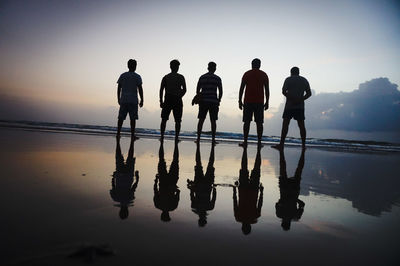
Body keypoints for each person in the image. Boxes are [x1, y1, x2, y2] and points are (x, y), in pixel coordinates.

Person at [272, 67, 311, 150]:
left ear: (291, 72)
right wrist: (300, 99)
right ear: (298, 72)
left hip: (289, 106)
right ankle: (303, 146)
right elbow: (309, 93)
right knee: (301, 126)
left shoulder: (288, 79)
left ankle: (281, 144)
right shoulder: (304, 80)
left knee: (285, 125)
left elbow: (283, 91)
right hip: (300, 106)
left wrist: (291, 98)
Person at [233, 145, 264, 235]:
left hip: (253, 191)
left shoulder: (255, 218)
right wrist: (235, 189)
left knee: (257, 168)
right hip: (243, 189)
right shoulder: (238, 217)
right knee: (244, 167)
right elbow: (235, 202)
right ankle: (245, 150)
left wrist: (261, 192)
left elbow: (260, 203)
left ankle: (258, 151)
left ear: (250, 226)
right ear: (242, 227)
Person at [238, 58, 269, 147]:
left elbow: (241, 88)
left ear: (252, 64)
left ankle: (245, 142)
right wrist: (267, 102)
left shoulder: (247, 74)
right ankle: (259, 143)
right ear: (259, 65)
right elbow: (267, 89)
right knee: (259, 123)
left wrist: (239, 101)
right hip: (259, 102)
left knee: (247, 122)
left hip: (248, 101)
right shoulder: (264, 75)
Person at [275, 148, 305, 231]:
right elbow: (277, 204)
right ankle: (281, 152)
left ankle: (303, 153)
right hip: (284, 190)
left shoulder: (296, 216)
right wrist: (285, 201)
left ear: (289, 224)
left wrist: (295, 199)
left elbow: (302, 205)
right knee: (282, 169)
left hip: (294, 191)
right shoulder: (279, 215)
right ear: (282, 223)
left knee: (299, 170)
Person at [187, 143, 217, 227]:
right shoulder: (194, 207)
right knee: (199, 163)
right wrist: (192, 186)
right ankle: (199, 146)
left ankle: (212, 148)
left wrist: (214, 188)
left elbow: (214, 197)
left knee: (210, 163)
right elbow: (192, 194)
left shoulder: (210, 207)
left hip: (207, 184)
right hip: (199, 183)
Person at [110, 136, 139, 219]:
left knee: (130, 156)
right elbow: (113, 186)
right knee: (119, 157)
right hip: (119, 174)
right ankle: (118, 142)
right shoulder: (115, 198)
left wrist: (137, 178)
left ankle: (131, 143)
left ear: (127, 211)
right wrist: (113, 177)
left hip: (129, 175)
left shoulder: (130, 199)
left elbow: (134, 187)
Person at [194, 62, 223, 144]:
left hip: (203, 101)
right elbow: (220, 91)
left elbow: (198, 89)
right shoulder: (217, 78)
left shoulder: (202, 77)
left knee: (201, 120)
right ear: (215, 68)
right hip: (213, 102)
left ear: (208, 68)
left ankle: (198, 139)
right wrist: (219, 100)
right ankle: (213, 140)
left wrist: (199, 97)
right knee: (213, 121)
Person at [159, 60, 187, 142]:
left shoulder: (166, 77)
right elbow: (185, 90)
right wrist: (179, 96)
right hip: (176, 99)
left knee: (164, 119)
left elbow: (161, 90)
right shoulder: (180, 77)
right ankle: (176, 137)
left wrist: (161, 101)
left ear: (170, 67)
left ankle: (162, 136)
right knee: (177, 120)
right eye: (177, 66)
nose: (177, 68)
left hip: (169, 99)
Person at [116, 59, 144, 139]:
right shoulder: (137, 76)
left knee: (121, 117)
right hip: (133, 100)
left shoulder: (123, 75)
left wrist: (118, 98)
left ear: (128, 66)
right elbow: (140, 89)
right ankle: (132, 135)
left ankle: (118, 133)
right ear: (135, 66)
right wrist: (142, 99)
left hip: (124, 99)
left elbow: (119, 88)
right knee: (133, 119)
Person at [153, 141, 180, 222]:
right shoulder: (157, 205)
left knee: (175, 161)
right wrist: (156, 180)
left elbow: (178, 194)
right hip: (163, 181)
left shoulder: (173, 207)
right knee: (161, 160)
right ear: (162, 214)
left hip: (172, 182)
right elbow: (155, 191)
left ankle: (175, 144)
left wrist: (175, 189)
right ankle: (162, 143)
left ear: (168, 215)